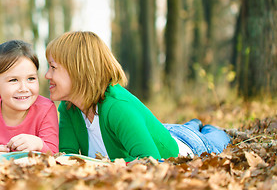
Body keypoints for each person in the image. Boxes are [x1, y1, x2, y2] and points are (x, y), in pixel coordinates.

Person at [44, 31, 230, 162]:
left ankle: (204, 127)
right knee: (185, 127)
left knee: (219, 137)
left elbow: (150, 160)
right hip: (163, 131)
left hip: (189, 146)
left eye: (53, 67)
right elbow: (68, 157)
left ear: (79, 71)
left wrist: (102, 166)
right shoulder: (68, 107)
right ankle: (193, 124)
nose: (47, 75)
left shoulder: (117, 107)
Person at [0, 40, 59, 160]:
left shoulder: (46, 108)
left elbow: (54, 154)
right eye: (13, 80)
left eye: (31, 78)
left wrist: (39, 144)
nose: (24, 88)